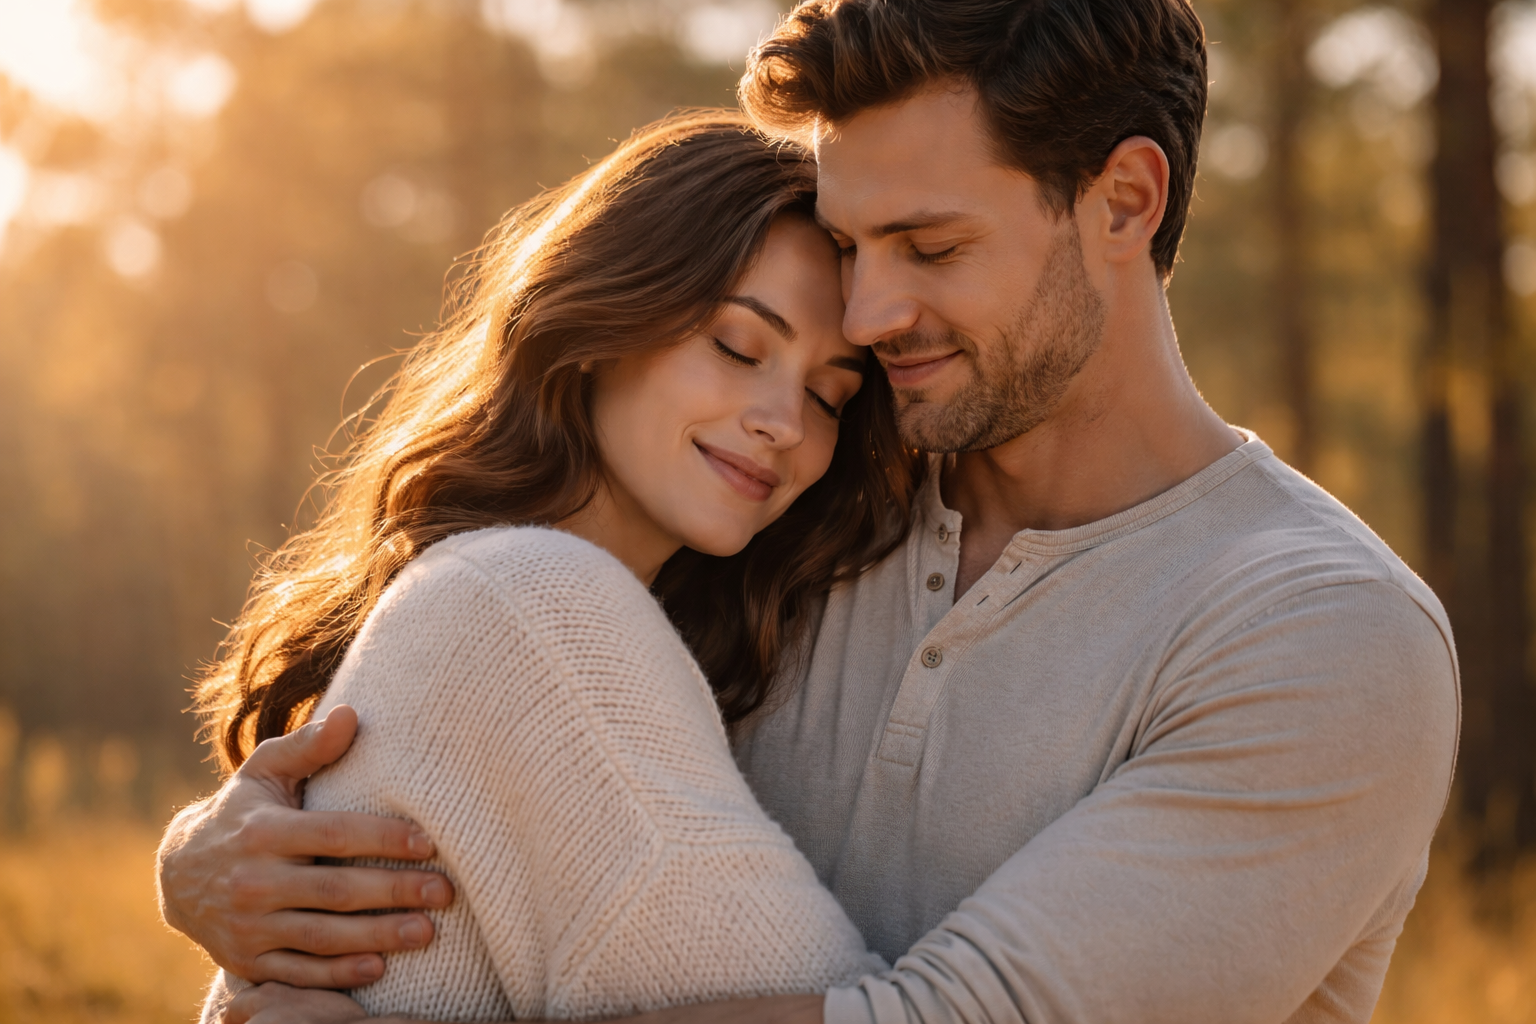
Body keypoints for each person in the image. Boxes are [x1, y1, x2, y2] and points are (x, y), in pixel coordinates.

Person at [159, 2, 1461, 1023]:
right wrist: (216, 861)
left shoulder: (1322, 632)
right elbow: (476, 762)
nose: (873, 313)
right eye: (854, 248)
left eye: (930, 248)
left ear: (1124, 201)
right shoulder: (808, 516)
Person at [180, 111, 915, 1022]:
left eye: (829, 394)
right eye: (737, 347)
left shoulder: (480, 590)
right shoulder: (535, 603)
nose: (785, 422)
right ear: (607, 321)